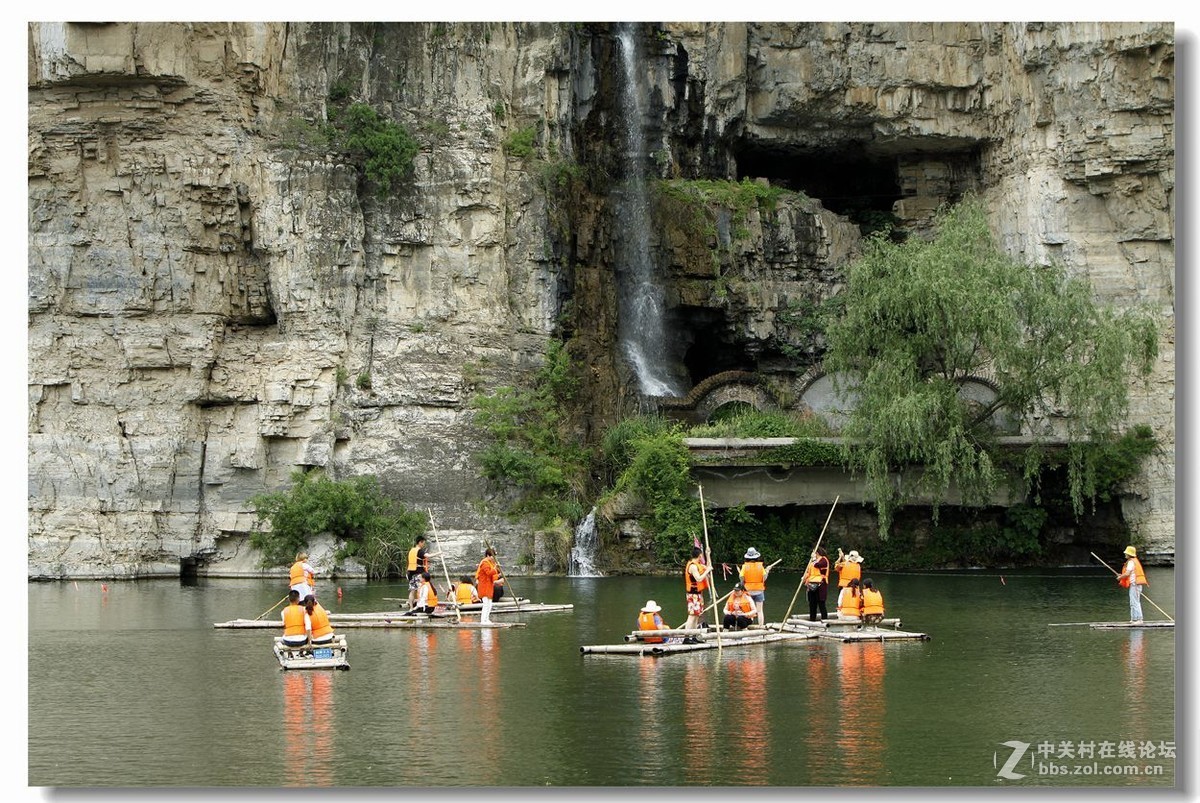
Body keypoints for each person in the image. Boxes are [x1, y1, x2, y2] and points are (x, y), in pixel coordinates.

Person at [683, 546, 713, 630]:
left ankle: (694, 634)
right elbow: (698, 578)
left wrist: (708, 555)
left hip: (698, 593)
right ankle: (687, 636)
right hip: (693, 594)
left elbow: (709, 566)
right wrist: (707, 571)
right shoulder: (693, 566)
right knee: (692, 615)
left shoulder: (698, 565)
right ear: (700, 556)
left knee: (697, 615)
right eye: (702, 555)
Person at [739, 547, 770, 626]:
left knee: (749, 610)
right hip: (759, 591)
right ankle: (761, 626)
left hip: (748, 591)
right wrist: (767, 571)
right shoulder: (760, 566)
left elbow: (741, 578)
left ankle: (748, 626)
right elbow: (764, 578)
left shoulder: (744, 567)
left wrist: (743, 583)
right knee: (759, 610)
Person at [406, 536, 439, 608]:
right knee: (420, 590)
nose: (423, 544)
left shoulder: (411, 550)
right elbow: (428, 556)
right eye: (423, 543)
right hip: (418, 574)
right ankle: (419, 606)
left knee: (412, 591)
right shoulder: (419, 551)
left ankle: (411, 608)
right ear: (420, 542)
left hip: (410, 574)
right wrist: (439, 553)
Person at [1119, 545, 1148, 624]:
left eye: (1126, 553)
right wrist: (1121, 576)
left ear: (1129, 554)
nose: (1125, 554)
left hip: (1135, 584)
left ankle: (1139, 619)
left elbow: (1127, 573)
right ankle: (1134, 619)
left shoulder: (1131, 562)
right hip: (1135, 585)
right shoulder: (1133, 561)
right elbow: (1128, 573)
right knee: (1133, 602)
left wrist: (1120, 578)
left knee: (1135, 602)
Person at [475, 548, 505, 624]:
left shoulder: (491, 563)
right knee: (485, 603)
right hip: (484, 586)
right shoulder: (484, 563)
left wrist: (498, 573)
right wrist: (495, 568)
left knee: (489, 604)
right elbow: (488, 573)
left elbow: (493, 576)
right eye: (492, 556)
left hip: (489, 586)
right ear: (488, 555)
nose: (493, 558)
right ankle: (483, 620)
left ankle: (487, 619)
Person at [804, 547, 831, 621]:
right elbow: (809, 572)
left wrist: (814, 559)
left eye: (814, 553)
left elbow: (818, 565)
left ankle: (825, 620)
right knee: (812, 604)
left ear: (817, 553)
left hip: (820, 584)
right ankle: (812, 620)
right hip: (811, 584)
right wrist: (804, 578)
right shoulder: (811, 562)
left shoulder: (823, 560)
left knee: (821, 603)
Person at [834, 549, 864, 614]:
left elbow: (836, 566)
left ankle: (841, 614)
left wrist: (840, 557)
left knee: (842, 601)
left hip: (844, 586)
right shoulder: (858, 566)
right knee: (853, 602)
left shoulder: (844, 564)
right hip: (855, 587)